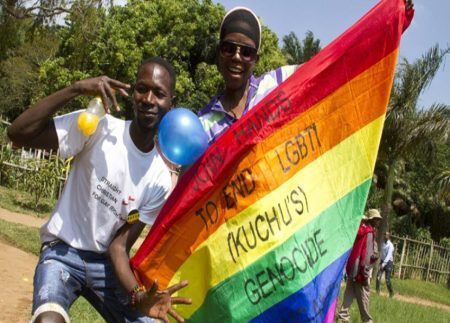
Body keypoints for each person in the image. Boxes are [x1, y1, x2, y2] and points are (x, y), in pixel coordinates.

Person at [7, 57, 191, 323]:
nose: (149, 99)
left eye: (159, 93)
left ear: (170, 104)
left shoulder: (159, 180)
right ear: (132, 94)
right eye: (142, 88)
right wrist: (77, 89)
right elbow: (17, 133)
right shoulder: (99, 127)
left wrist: (139, 297)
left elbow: (118, 248)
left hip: (104, 267)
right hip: (62, 253)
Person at [198, 6, 298, 144]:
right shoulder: (203, 125)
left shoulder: (275, 84)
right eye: (229, 49)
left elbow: (322, 67)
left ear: (256, 60)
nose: (237, 57)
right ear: (218, 53)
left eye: (246, 52)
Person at [337, 209, 381, 323]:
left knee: (350, 292)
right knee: (364, 295)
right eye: (376, 219)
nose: (377, 222)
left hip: (352, 266)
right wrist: (365, 271)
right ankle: (367, 320)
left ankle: (343, 316)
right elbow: (366, 253)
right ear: (371, 220)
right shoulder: (369, 232)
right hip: (360, 268)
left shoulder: (359, 230)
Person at [376, 231, 395, 297]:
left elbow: (388, 255)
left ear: (389, 236)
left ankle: (391, 292)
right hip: (382, 261)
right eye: (384, 234)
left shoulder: (391, 245)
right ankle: (377, 292)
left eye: (386, 235)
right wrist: (380, 261)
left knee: (387, 279)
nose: (384, 236)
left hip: (389, 262)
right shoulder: (382, 243)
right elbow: (381, 253)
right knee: (378, 276)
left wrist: (383, 264)